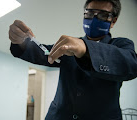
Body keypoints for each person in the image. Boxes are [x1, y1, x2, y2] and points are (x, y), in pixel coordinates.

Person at [8, 0, 137, 119]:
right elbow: (44, 53)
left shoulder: (121, 44)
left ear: (113, 21)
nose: (94, 18)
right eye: (90, 13)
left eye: (103, 15)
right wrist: (20, 42)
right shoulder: (69, 46)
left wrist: (86, 49)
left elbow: (130, 64)